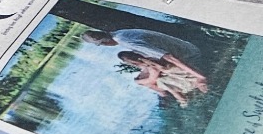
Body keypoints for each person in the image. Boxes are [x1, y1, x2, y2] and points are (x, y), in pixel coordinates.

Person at [81, 26, 209, 84]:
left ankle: (197, 78)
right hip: (188, 49)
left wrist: (199, 76)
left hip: (190, 55)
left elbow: (170, 57)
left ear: (104, 43)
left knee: (166, 76)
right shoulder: (121, 33)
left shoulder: (125, 41)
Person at [117, 50, 208, 106]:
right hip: (180, 78)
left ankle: (181, 99)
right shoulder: (150, 63)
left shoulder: (153, 65)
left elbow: (153, 77)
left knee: (159, 81)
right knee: (156, 82)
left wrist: (200, 77)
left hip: (185, 79)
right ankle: (178, 99)